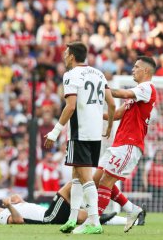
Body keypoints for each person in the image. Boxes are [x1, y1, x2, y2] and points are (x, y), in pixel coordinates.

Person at [44, 41, 115, 234]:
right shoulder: (99, 73)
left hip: (79, 132)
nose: (64, 56)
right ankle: (72, 218)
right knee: (76, 175)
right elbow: (112, 104)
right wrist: (108, 126)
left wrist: (54, 132)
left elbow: (70, 106)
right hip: (94, 133)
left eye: (66, 53)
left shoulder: (71, 75)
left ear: (72, 56)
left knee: (84, 178)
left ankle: (94, 221)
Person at [95, 56, 157, 233]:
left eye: (136, 67)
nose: (132, 69)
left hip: (129, 144)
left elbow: (123, 93)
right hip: (119, 143)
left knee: (105, 181)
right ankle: (133, 210)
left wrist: (101, 88)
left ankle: (94, 222)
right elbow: (116, 115)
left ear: (145, 71)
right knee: (96, 180)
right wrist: (93, 111)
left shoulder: (147, 88)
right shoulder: (137, 94)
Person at [0, 181, 146, 227]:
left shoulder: (7, 210)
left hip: (48, 215)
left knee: (84, 217)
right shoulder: (2, 217)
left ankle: (136, 221)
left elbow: (29, 212)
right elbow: (19, 220)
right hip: (48, 217)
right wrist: (10, 206)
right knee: (73, 184)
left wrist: (21, 202)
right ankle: (95, 199)